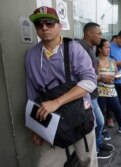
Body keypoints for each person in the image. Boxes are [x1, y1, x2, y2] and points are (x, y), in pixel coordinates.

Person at [25, 6, 97, 167]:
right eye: (39, 24)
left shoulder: (74, 49)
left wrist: (57, 102)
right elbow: (32, 92)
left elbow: (90, 81)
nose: (44, 27)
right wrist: (35, 127)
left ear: (60, 25)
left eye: (49, 23)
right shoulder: (31, 55)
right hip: (51, 120)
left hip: (79, 116)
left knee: (88, 162)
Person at [76, 22, 113, 159]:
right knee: (98, 122)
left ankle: (98, 143)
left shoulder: (90, 48)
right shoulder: (80, 48)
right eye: (98, 33)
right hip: (86, 95)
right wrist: (102, 77)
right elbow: (81, 75)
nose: (100, 36)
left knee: (98, 122)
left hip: (93, 93)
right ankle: (95, 150)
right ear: (88, 33)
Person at [96, 38, 121, 135]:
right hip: (99, 91)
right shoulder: (95, 61)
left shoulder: (112, 61)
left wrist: (117, 76)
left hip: (112, 90)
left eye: (109, 47)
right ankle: (103, 131)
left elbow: (116, 73)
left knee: (118, 109)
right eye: (106, 47)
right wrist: (102, 78)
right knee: (101, 112)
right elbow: (92, 77)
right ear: (100, 49)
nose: (108, 49)